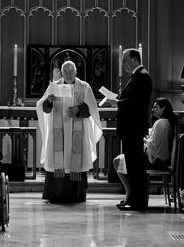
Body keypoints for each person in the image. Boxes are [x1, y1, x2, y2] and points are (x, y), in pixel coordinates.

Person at [36, 60, 102, 203]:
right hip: (57, 133)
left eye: (71, 71)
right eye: (66, 72)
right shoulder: (54, 86)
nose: (69, 74)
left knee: (75, 160)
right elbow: (43, 107)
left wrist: (79, 110)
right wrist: (49, 100)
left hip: (77, 133)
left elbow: (92, 110)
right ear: (61, 72)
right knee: (58, 160)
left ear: (76, 71)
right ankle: (56, 194)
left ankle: (75, 194)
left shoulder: (84, 87)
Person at [108, 48, 152, 210]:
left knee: (136, 167)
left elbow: (137, 103)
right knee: (132, 166)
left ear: (135, 58)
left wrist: (118, 103)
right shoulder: (137, 76)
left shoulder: (142, 77)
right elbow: (132, 99)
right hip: (131, 130)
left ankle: (137, 202)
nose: (123, 63)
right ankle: (132, 199)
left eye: (125, 60)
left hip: (134, 129)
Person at [115, 98, 175, 208]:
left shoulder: (160, 123)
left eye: (155, 107)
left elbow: (153, 145)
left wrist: (144, 140)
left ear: (163, 108)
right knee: (123, 159)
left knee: (118, 160)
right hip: (162, 160)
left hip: (156, 161)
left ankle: (130, 194)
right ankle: (130, 194)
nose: (152, 109)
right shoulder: (165, 122)